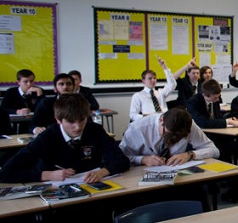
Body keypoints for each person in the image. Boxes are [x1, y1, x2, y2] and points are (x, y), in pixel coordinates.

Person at [0, 94, 129, 183]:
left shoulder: (95, 130)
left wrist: (102, 172)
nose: (77, 127)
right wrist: (47, 175)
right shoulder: (47, 137)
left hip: (89, 189)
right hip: (54, 190)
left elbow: (122, 161)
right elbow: (6, 172)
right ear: (58, 120)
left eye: (82, 120)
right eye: (71, 122)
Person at [118, 107, 220, 167]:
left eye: (179, 137)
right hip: (141, 175)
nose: (173, 139)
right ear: (161, 120)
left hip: (177, 175)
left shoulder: (188, 125)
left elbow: (214, 150)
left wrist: (190, 154)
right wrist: (142, 159)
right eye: (168, 134)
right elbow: (119, 158)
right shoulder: (137, 129)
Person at [128, 55, 178, 123]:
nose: (153, 80)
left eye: (154, 78)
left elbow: (172, 85)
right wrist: (145, 117)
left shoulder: (160, 92)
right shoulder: (138, 96)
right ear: (143, 81)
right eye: (150, 78)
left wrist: (165, 67)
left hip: (164, 121)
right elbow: (132, 115)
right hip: (149, 121)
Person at [0, 69, 45, 134]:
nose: (29, 84)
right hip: (16, 124)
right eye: (25, 81)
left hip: (35, 123)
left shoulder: (39, 91)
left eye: (31, 81)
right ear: (18, 82)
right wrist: (17, 111)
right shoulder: (11, 92)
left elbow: (42, 110)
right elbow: (3, 109)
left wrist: (39, 96)